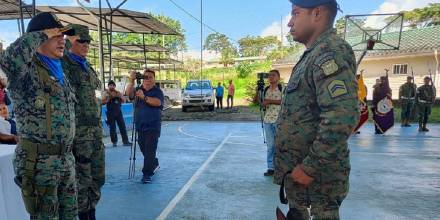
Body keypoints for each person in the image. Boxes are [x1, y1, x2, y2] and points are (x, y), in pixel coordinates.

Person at [274, 1, 359, 219]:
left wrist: (310, 167)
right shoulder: (313, 55)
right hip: (303, 183)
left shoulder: (329, 52)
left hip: (317, 183)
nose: (290, 22)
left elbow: (342, 116)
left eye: (295, 13)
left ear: (317, 13)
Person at [0, 12, 78, 219]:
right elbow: (7, 59)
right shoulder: (25, 71)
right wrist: (42, 34)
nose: (62, 39)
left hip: (65, 160)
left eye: (63, 35)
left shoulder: (59, 70)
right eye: (56, 35)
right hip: (40, 165)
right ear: (40, 37)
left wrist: (55, 34)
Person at [64, 24, 104, 220]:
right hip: (79, 135)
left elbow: (96, 94)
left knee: (97, 178)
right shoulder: (63, 64)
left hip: (95, 132)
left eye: (88, 41)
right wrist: (66, 39)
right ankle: (84, 216)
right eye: (81, 40)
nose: (86, 44)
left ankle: (92, 213)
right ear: (70, 41)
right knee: (81, 180)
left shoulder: (87, 66)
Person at [126, 69, 164, 184]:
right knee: (144, 148)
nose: (147, 79)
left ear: (154, 79)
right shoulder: (138, 90)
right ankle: (154, 162)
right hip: (140, 125)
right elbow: (129, 94)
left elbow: (158, 103)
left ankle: (147, 174)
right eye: (145, 77)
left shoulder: (157, 91)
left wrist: (144, 97)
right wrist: (131, 80)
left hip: (153, 126)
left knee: (150, 150)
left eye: (150, 77)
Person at [262, 70, 283, 176]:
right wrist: (258, 93)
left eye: (273, 75)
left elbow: (284, 101)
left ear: (278, 77)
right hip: (267, 120)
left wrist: (269, 101)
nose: (271, 77)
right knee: (270, 146)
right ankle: (271, 168)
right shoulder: (266, 89)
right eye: (269, 76)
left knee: (280, 145)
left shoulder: (282, 88)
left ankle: (281, 168)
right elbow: (261, 103)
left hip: (279, 120)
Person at [102, 80, 131, 147]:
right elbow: (102, 101)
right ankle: (114, 142)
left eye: (112, 85)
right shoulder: (106, 93)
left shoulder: (118, 93)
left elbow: (124, 100)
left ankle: (125, 141)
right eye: (110, 85)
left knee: (122, 127)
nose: (111, 86)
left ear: (114, 86)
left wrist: (120, 97)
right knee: (112, 128)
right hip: (110, 113)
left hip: (118, 112)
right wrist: (108, 98)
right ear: (108, 86)